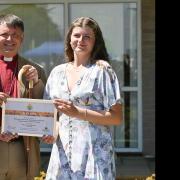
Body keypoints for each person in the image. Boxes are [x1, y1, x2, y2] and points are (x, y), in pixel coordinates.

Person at [42, 17, 123, 180]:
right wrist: (51, 131)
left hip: (95, 155)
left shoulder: (102, 70)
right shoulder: (57, 72)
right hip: (63, 155)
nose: (81, 40)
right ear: (69, 39)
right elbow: (51, 116)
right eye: (77, 35)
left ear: (95, 42)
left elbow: (116, 118)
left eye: (87, 37)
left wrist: (77, 112)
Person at [0, 14, 46, 180]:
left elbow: (45, 109)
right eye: (4, 34)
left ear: (22, 38)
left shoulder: (36, 70)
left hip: (22, 148)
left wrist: (36, 82)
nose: (10, 39)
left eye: (15, 35)